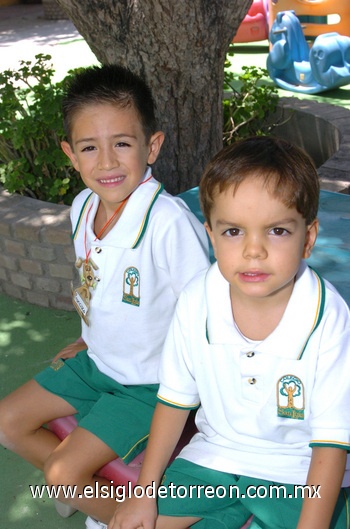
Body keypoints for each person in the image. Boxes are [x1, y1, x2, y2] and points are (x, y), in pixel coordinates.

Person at [0, 64, 210, 529]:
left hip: (149, 386)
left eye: (122, 143)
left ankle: (125, 517)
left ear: (151, 146)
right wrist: (87, 336)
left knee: (60, 474)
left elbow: (209, 310)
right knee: (7, 422)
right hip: (98, 364)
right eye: (90, 147)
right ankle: (108, 505)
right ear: (70, 155)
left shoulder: (168, 223)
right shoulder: (81, 208)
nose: (107, 162)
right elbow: (93, 283)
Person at [109, 136, 350, 529]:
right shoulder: (196, 300)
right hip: (215, 458)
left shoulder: (330, 319)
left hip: (297, 473)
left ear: (307, 238)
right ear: (211, 236)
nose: (254, 250)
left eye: (277, 231)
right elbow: (173, 403)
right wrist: (143, 493)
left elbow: (329, 445)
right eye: (234, 232)